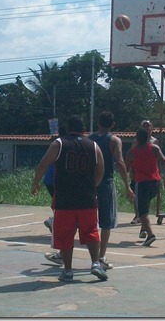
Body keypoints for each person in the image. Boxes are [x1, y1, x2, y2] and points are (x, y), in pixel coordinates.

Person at [31, 115, 107, 282]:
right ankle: (95, 263)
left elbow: (44, 164)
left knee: (65, 235)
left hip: (65, 199)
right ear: (83, 128)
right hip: (87, 198)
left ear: (67, 127)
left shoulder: (59, 144)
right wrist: (91, 186)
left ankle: (67, 270)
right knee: (91, 232)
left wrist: (35, 182)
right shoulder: (93, 146)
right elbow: (101, 169)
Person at [89, 111, 134, 270]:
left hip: (90, 184)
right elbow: (120, 163)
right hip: (106, 183)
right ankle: (101, 257)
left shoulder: (90, 139)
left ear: (98, 123)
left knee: (85, 219)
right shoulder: (114, 140)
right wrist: (127, 185)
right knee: (106, 222)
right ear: (112, 124)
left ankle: (63, 252)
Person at [126, 129, 165, 247]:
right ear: (148, 138)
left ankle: (150, 235)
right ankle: (144, 229)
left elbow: (125, 167)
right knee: (145, 208)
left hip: (142, 184)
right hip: (154, 183)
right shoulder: (154, 148)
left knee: (142, 212)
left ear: (136, 139)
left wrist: (127, 182)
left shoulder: (132, 152)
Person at [40, 125, 66, 265]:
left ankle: (54, 220)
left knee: (61, 208)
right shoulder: (63, 145)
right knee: (64, 211)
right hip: (56, 181)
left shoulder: (57, 144)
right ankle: (53, 221)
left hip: (50, 180)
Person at [129, 120, 158, 228]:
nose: (146, 127)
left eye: (148, 125)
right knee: (136, 194)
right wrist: (131, 170)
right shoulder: (135, 141)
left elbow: (158, 158)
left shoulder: (154, 142)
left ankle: (143, 216)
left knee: (146, 197)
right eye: (144, 125)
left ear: (152, 128)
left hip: (149, 173)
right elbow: (131, 156)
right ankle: (137, 215)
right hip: (137, 171)